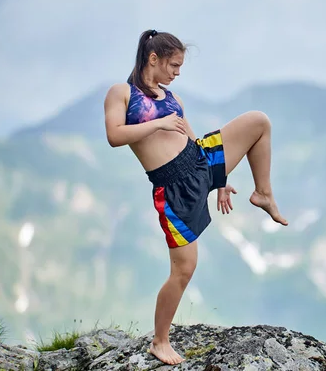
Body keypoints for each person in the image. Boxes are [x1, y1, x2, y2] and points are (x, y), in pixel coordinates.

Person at [103, 29, 288, 365]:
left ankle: (263, 193)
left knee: (258, 122)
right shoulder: (122, 93)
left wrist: (219, 180)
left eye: (180, 67)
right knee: (184, 269)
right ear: (153, 58)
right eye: (173, 65)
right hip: (172, 187)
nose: (176, 73)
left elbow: (190, 137)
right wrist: (157, 125)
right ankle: (160, 341)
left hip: (199, 163)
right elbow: (115, 136)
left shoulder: (173, 98)